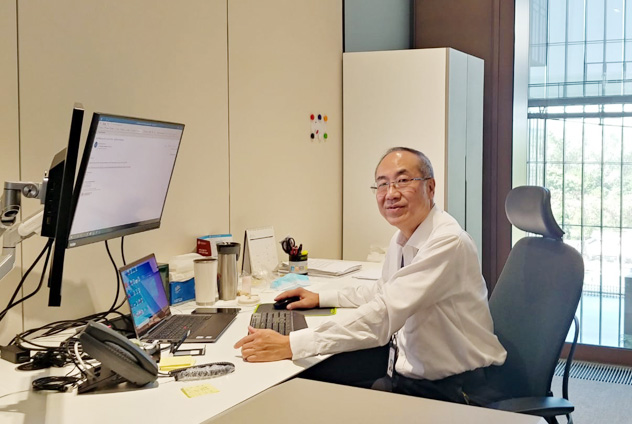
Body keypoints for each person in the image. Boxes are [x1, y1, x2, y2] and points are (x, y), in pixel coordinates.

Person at [234, 147, 506, 404]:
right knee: (307, 382)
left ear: (430, 187)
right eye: (382, 184)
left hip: (456, 391)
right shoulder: (402, 238)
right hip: (409, 375)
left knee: (305, 392)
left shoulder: (447, 242)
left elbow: (384, 315)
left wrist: (292, 344)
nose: (391, 193)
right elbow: (383, 291)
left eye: (402, 181)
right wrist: (321, 297)